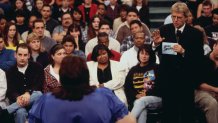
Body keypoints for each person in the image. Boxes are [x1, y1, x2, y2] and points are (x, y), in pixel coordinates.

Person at [29, 55, 136, 123]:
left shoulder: (45, 100)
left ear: (62, 77)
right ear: (86, 75)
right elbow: (130, 121)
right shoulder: (104, 95)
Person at [151, 2, 204, 123]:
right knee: (169, 114)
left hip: (186, 80)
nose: (175, 20)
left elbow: (199, 58)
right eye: (173, 16)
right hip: (168, 79)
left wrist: (184, 51)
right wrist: (156, 43)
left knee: (187, 114)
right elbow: (154, 50)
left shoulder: (196, 33)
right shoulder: (164, 29)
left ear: (186, 17)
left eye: (179, 17)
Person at [3, 43, 44, 123]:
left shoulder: (37, 67)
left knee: (39, 94)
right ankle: (14, 108)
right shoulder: (10, 71)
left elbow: (38, 85)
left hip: (35, 101)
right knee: (20, 112)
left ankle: (7, 110)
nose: (22, 58)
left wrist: (28, 93)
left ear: (29, 56)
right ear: (15, 55)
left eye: (25, 55)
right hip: (19, 103)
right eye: (20, 55)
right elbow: (10, 91)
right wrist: (17, 97)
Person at [124, 44, 162, 123]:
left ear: (150, 55)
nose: (144, 56)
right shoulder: (133, 70)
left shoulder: (156, 68)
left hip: (155, 98)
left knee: (141, 101)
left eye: (147, 54)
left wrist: (147, 93)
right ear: (138, 55)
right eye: (142, 53)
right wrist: (135, 95)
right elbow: (127, 87)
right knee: (142, 109)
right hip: (138, 100)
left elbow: (161, 86)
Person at [195, 41, 218, 123]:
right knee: (212, 103)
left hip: (215, 91)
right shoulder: (202, 60)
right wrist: (215, 90)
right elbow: (198, 83)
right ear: (214, 46)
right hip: (200, 91)